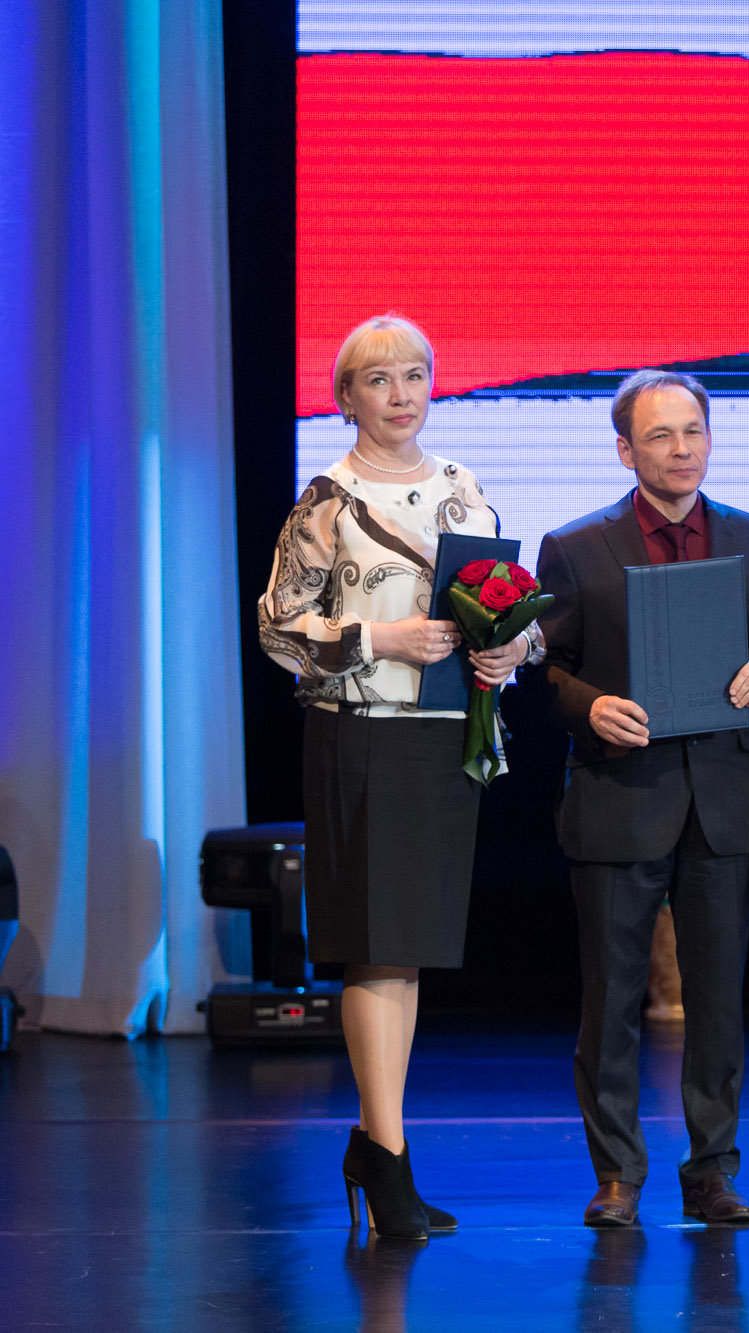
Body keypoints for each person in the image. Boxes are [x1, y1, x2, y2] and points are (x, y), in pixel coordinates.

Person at [258, 314, 537, 1241]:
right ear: (347, 397)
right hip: (364, 735)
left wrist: (512, 651)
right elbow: (277, 627)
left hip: (448, 736)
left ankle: (379, 1148)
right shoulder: (326, 500)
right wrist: (382, 636)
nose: (401, 394)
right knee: (377, 947)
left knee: (407, 948)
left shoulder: (462, 487)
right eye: (379, 380)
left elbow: (509, 607)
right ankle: (385, 1153)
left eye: (415, 375)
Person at [523, 370, 749, 1227]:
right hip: (618, 791)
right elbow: (540, 671)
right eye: (660, 435)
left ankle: (713, 1169)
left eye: (693, 432)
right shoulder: (575, 545)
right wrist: (588, 705)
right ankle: (618, 1174)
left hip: (721, 795)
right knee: (613, 999)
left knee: (719, 999)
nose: (681, 449)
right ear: (625, 449)